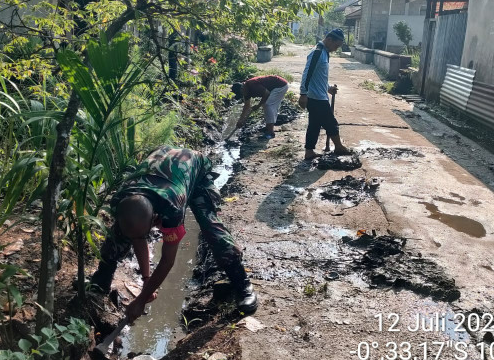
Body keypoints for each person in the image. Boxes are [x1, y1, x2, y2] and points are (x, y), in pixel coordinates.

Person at [90, 146, 258, 322]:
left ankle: (242, 285)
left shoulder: (172, 208)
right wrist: (147, 280)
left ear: (155, 218)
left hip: (193, 169)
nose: (140, 239)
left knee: (212, 229)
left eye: (145, 234)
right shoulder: (121, 200)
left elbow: (168, 260)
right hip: (164, 165)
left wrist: (140, 300)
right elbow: (137, 237)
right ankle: (100, 281)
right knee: (117, 236)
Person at [298, 29, 352, 160]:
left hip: (320, 95)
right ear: (329, 40)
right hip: (315, 97)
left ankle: (309, 151)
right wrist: (303, 94)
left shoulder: (325, 53)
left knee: (314, 125)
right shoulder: (317, 53)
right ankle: (338, 147)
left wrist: (328, 88)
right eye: (336, 45)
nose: (335, 49)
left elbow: (320, 76)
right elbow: (307, 73)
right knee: (331, 123)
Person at [230, 73, 290, 139]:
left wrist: (258, 106)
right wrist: (240, 120)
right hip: (273, 88)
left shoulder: (252, 85)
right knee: (266, 104)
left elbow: (266, 94)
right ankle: (268, 127)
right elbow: (246, 106)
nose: (243, 96)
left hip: (280, 85)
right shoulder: (245, 91)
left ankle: (270, 132)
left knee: (268, 105)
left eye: (241, 94)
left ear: (242, 88)